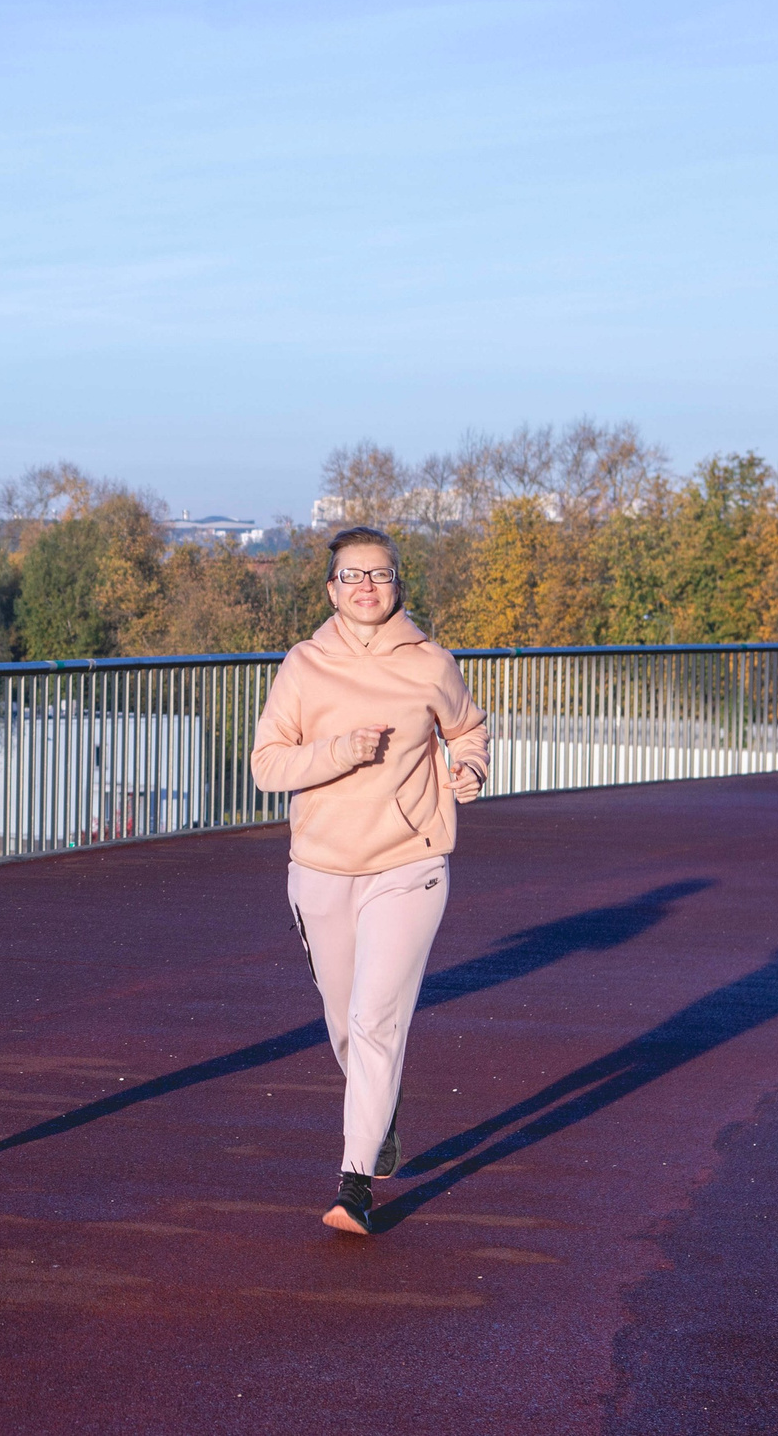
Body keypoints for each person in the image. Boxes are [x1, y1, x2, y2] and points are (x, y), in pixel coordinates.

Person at [251, 526, 490, 1236]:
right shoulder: (303, 665)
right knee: (343, 1021)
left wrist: (470, 768)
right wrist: (338, 752)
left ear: (398, 585)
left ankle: (355, 1184)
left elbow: (469, 728)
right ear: (331, 589)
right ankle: (379, 1111)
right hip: (321, 867)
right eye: (351, 575)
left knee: (375, 1018)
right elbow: (267, 765)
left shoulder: (430, 663)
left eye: (379, 574)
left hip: (408, 862)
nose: (365, 586)